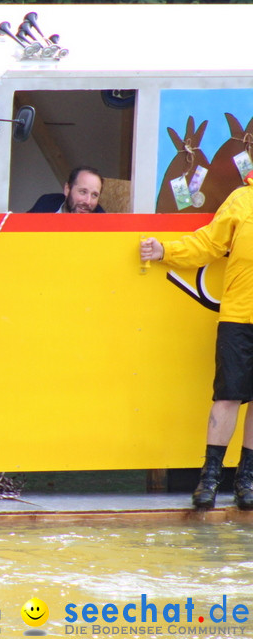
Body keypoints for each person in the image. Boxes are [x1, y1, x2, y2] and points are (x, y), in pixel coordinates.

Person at [141, 177, 253, 510]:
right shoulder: (241, 200)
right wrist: (165, 250)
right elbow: (208, 243)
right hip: (238, 315)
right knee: (228, 395)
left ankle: (247, 480)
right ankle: (210, 477)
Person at [28, 166, 106, 214]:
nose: (88, 201)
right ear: (67, 190)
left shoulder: (101, 226)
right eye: (83, 192)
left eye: (94, 195)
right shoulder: (47, 202)